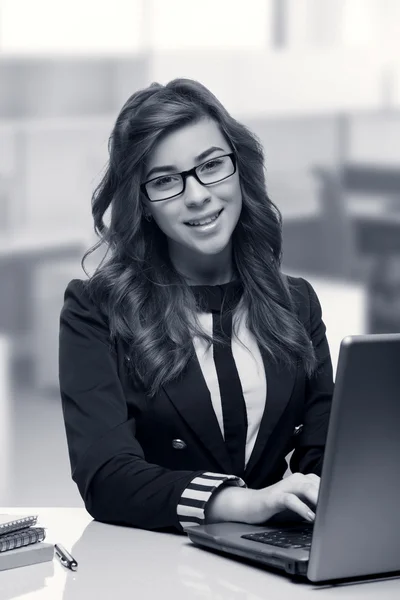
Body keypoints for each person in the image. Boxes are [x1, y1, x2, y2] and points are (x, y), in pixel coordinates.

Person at [58, 78, 334, 534]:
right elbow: (106, 476)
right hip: (157, 563)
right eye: (166, 181)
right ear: (143, 204)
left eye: (211, 166)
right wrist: (245, 503)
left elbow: (326, 452)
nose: (198, 194)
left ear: (239, 169)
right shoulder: (95, 309)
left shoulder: (297, 302)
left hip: (273, 559)